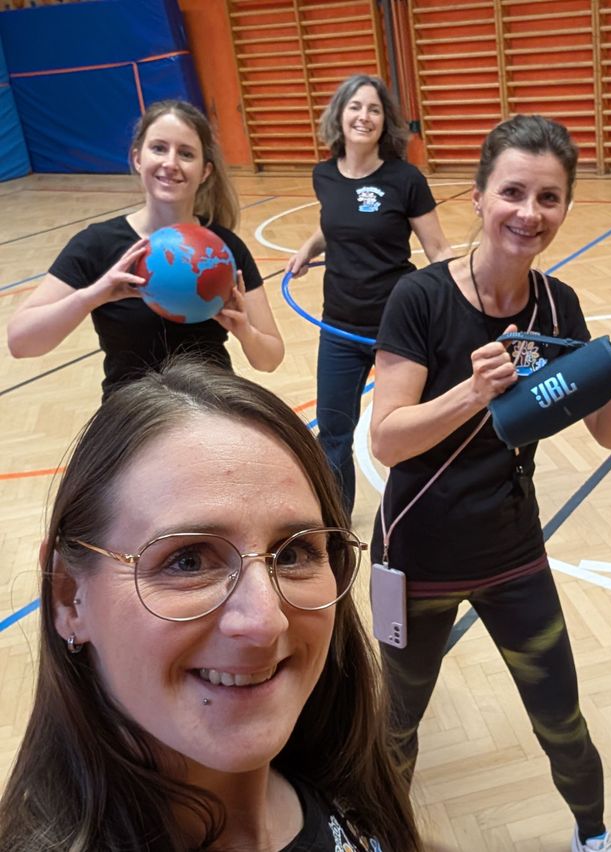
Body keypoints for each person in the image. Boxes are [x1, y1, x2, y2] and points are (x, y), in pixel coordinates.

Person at [369, 115, 611, 852]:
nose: (530, 213)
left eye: (549, 198)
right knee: (396, 723)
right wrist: (471, 393)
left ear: (565, 207)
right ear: (478, 197)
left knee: (562, 718)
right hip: (416, 556)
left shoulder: (558, 307)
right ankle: (379, 836)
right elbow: (386, 438)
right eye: (513, 192)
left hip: (512, 553)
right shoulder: (419, 299)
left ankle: (593, 836)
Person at [0, 359, 422, 852]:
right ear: (68, 596)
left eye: (293, 554)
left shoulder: (345, 778)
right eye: (188, 561)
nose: (264, 620)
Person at [7, 100, 284, 399]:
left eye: (186, 153)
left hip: (208, 408)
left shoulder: (223, 249)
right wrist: (93, 295)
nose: (171, 163)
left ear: (205, 171)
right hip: (133, 412)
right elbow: (21, 343)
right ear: (138, 158)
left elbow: (270, 359)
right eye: (159, 148)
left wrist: (245, 331)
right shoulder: (96, 244)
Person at [285, 74, 452, 517]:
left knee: (407, 432)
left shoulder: (405, 179)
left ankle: (422, 512)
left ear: (385, 121)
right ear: (340, 115)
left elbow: (438, 249)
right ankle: (337, 523)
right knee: (334, 433)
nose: (364, 116)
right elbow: (335, 220)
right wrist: (309, 247)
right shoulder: (324, 175)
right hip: (339, 326)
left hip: (397, 328)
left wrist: (461, 298)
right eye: (355, 107)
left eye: (374, 109)